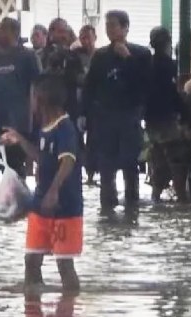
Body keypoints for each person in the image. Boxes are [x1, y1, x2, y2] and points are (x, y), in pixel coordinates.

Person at [0, 76, 83, 291]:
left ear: (40, 99)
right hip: (41, 202)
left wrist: (54, 191)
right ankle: (33, 304)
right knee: (32, 259)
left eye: (32, 96)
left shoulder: (65, 127)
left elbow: (68, 161)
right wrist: (19, 139)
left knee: (64, 264)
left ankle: (69, 303)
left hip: (66, 206)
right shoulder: (44, 127)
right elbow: (41, 157)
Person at [82, 10, 151, 211]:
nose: (109, 29)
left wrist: (128, 58)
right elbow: (90, 86)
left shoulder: (141, 54)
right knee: (106, 165)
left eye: (113, 25)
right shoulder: (100, 56)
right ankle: (107, 208)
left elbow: (145, 84)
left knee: (130, 164)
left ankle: (132, 207)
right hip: (105, 116)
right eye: (107, 25)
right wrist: (86, 115)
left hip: (130, 114)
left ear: (125, 27)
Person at [0, 17, 39, 190]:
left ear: (15, 33)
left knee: (15, 172)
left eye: (4, 29)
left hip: (16, 125)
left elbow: (36, 88)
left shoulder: (27, 56)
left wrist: (32, 123)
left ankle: (17, 202)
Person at [145, 26, 191, 202]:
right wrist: (186, 115)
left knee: (158, 158)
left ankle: (156, 196)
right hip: (166, 119)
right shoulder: (168, 65)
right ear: (167, 43)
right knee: (177, 159)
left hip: (151, 119)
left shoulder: (148, 64)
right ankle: (182, 197)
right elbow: (172, 94)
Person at [39, 18, 84, 120]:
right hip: (48, 108)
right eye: (60, 31)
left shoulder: (74, 55)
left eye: (65, 31)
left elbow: (80, 79)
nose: (64, 35)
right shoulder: (42, 55)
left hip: (69, 108)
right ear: (51, 33)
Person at [74, 24, 99, 185]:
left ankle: (91, 172)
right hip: (78, 102)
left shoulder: (100, 56)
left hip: (95, 103)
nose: (86, 41)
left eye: (88, 37)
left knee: (94, 139)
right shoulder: (75, 56)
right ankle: (80, 168)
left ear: (95, 38)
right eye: (82, 38)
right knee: (77, 138)